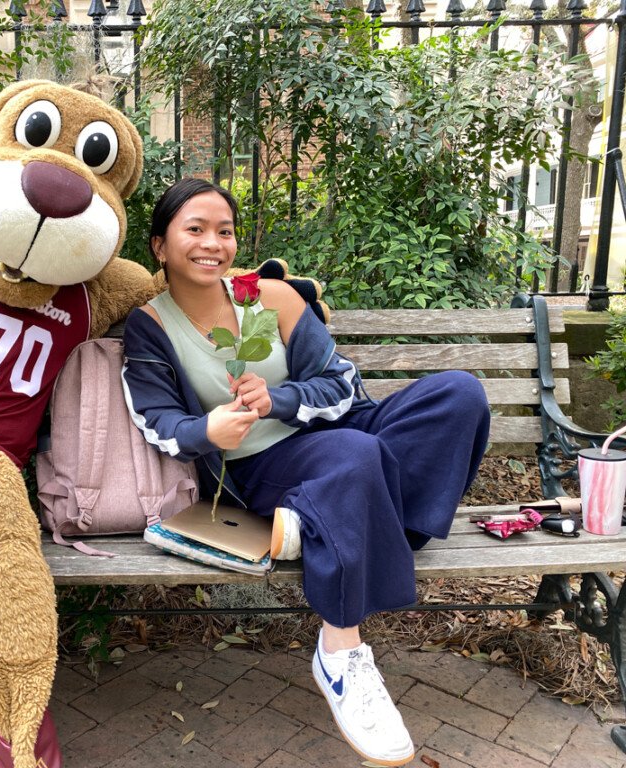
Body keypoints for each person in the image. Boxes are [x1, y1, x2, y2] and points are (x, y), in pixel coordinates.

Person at [120, 177, 490, 767]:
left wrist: (282, 398)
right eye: (195, 229)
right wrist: (207, 430)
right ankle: (340, 653)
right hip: (263, 462)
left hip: (334, 429)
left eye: (225, 231)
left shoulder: (270, 297)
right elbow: (156, 418)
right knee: (353, 457)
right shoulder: (151, 326)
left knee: (459, 394)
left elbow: (340, 384)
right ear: (161, 246)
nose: (213, 243)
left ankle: (341, 523)